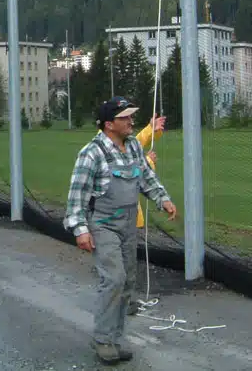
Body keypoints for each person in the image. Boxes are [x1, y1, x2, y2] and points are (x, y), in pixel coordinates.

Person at [64, 96, 178, 365]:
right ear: (108, 124)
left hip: (128, 223)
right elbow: (76, 196)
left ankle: (115, 339)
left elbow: (146, 178)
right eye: (124, 117)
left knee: (127, 282)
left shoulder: (134, 147)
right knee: (114, 279)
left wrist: (162, 198)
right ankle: (103, 339)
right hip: (103, 225)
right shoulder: (91, 153)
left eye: (130, 116)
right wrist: (80, 230)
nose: (130, 121)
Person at [127, 114, 168, 316]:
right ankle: (115, 309)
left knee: (128, 264)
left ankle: (123, 303)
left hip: (128, 218)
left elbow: (134, 145)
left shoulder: (120, 141)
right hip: (114, 220)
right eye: (125, 118)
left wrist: (151, 129)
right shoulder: (104, 148)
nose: (130, 122)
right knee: (118, 268)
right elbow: (130, 172)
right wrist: (149, 163)